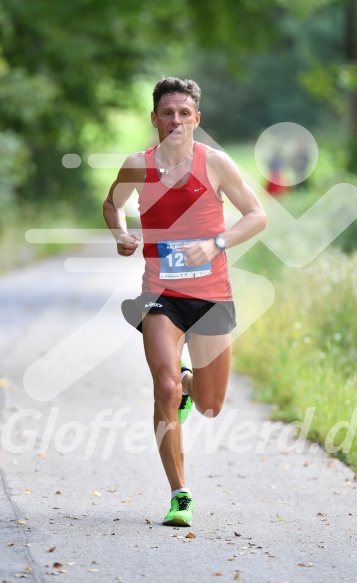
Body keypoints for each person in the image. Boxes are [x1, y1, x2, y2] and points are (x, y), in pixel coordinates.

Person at [103, 77, 267, 527]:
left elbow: (257, 215)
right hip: (160, 296)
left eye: (184, 112)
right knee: (164, 386)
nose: (175, 120)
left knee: (211, 405)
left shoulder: (215, 164)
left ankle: (192, 386)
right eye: (167, 112)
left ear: (197, 118)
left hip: (211, 298)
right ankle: (180, 494)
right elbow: (112, 204)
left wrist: (216, 243)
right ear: (154, 118)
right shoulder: (138, 165)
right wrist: (121, 233)